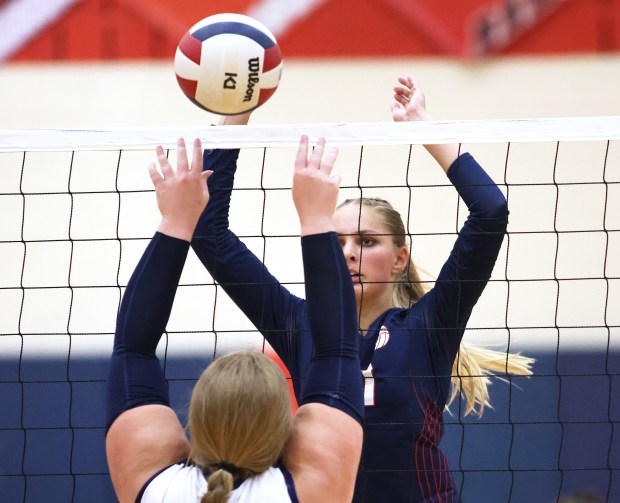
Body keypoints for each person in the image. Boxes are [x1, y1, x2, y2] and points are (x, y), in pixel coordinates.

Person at [191, 76, 534, 503]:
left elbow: (491, 212)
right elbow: (207, 234)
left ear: (399, 259)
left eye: (366, 241)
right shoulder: (299, 324)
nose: (349, 254)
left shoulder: (430, 326)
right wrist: (236, 113)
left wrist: (424, 128)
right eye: (336, 243)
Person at [105, 136, 364, 503]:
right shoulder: (312, 489)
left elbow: (132, 348)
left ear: (195, 417)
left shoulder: (155, 487)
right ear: (286, 429)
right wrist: (317, 217)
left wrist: (176, 220)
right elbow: (336, 352)